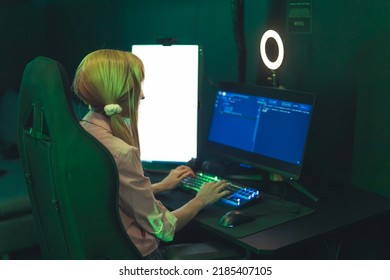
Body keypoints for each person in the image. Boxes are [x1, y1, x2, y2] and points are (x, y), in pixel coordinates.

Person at [72, 49, 229, 259]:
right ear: (120, 92)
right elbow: (164, 228)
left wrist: (160, 186)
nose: (143, 96)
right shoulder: (121, 153)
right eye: (137, 87)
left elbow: (111, 198)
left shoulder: (80, 133)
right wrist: (201, 199)